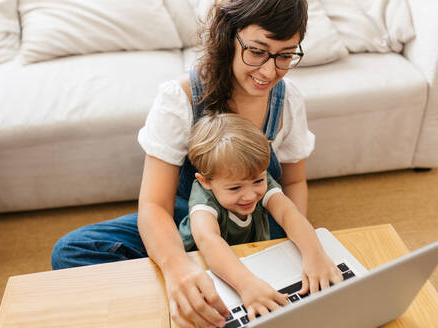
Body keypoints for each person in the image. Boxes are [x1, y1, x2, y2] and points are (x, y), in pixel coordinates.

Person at [51, 0, 316, 327]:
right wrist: (177, 268)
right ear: (228, 35)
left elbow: (292, 184)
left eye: (286, 55)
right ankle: (193, 286)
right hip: (190, 217)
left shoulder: (287, 100)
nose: (269, 71)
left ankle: (213, 283)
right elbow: (154, 205)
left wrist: (291, 250)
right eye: (257, 51)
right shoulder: (179, 98)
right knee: (72, 251)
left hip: (258, 216)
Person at [179, 113, 343, 321]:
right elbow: (208, 240)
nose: (250, 195)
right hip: (207, 267)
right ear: (205, 182)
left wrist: (315, 254)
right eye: (235, 187)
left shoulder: (256, 177)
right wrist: (247, 284)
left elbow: (287, 212)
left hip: (251, 254)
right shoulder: (203, 199)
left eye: (258, 181)